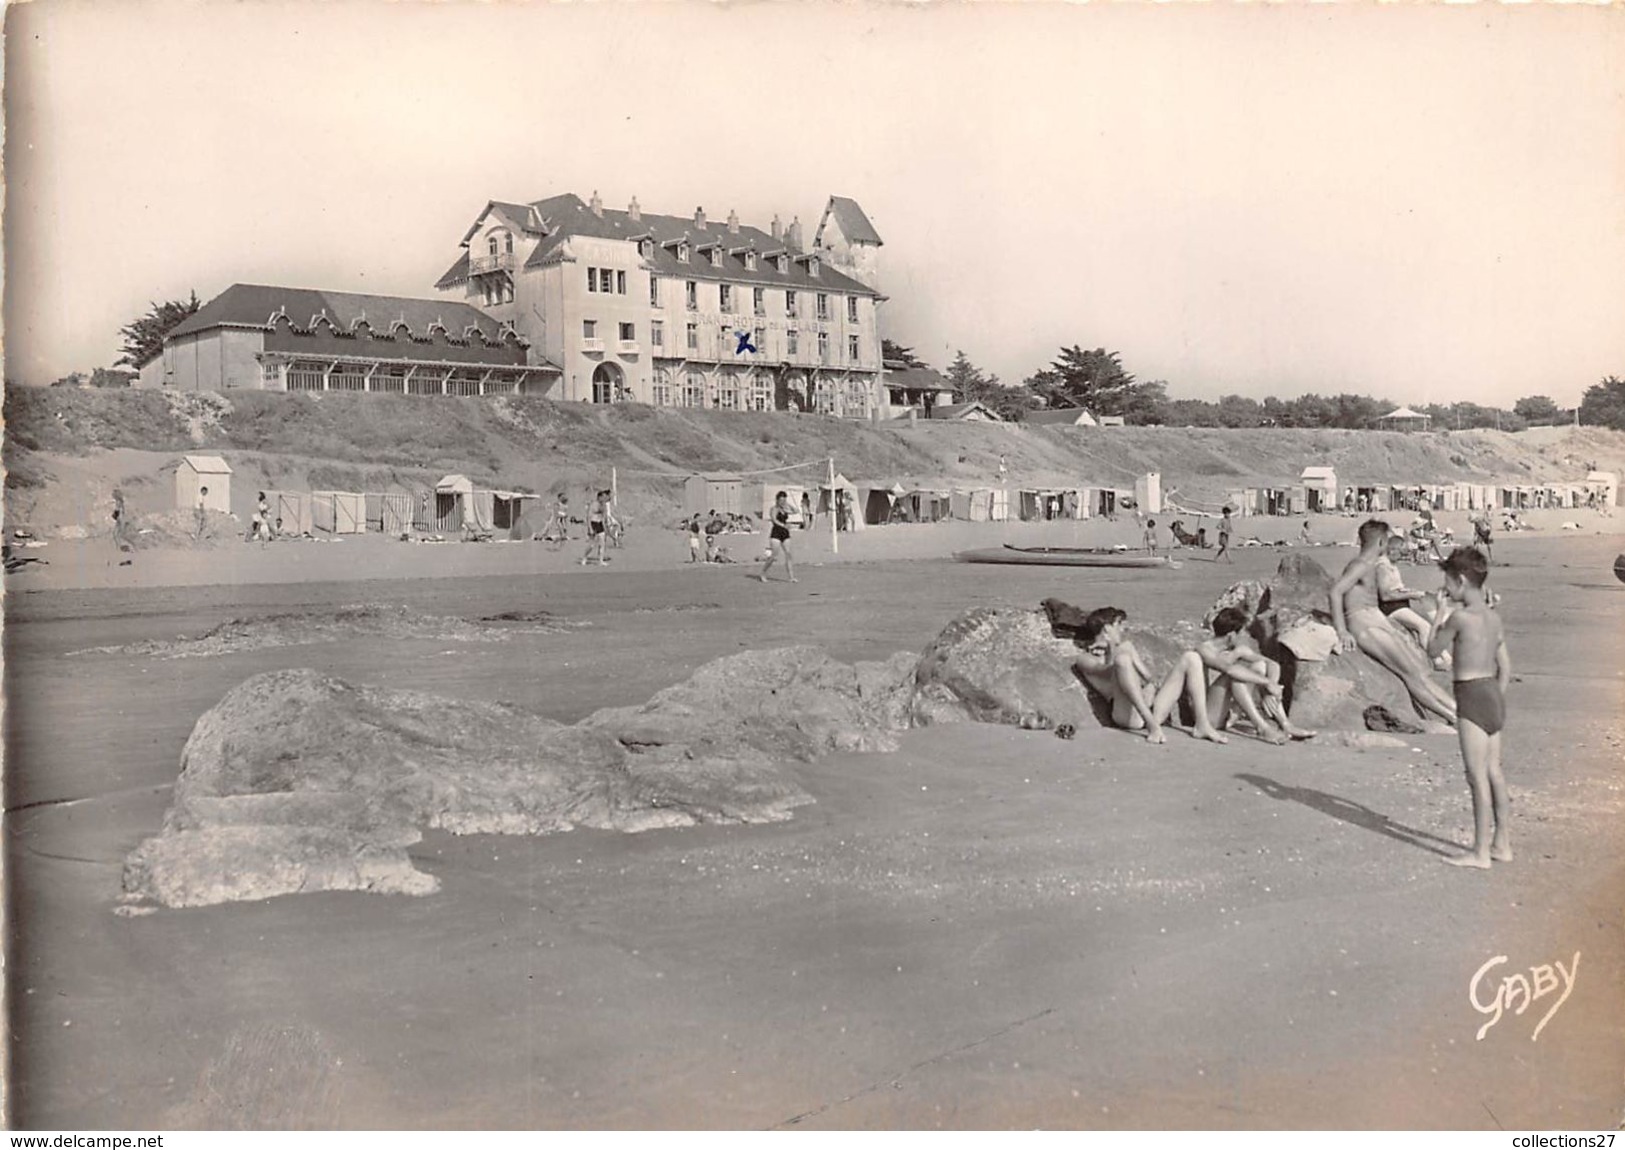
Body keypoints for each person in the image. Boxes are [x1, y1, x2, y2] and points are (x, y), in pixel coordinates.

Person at [1427, 547, 1512, 869]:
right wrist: (1498, 698)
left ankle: (1479, 852)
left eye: (1448, 583)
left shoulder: (1459, 617)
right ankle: (1501, 843)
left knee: (1476, 777)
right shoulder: (1493, 618)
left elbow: (1433, 649)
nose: (1446, 590)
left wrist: (1438, 612)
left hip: (1471, 695)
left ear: (1461, 581)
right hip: (1492, 691)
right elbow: (1506, 668)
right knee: (1494, 772)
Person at [1330, 519, 1457, 724]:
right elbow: (1335, 592)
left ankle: (1456, 710)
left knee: (1417, 670)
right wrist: (1341, 630)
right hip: (1363, 622)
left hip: (1374, 618)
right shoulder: (1360, 565)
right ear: (1381, 542)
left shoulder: (1370, 565)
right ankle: (1452, 716)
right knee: (1410, 673)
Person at [1072, 608, 1227, 745]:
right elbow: (1108, 671)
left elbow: (1149, 677)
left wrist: (1150, 686)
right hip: (1127, 715)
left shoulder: (1125, 648)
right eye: (1118, 625)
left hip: (1148, 704)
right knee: (1123, 659)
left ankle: (1202, 724)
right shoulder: (1085, 659)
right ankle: (1152, 726)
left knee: (1191, 658)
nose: (1122, 630)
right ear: (1106, 629)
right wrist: (1114, 648)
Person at [1197, 608, 1318, 743]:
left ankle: (1285, 724)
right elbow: (1230, 670)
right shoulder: (1204, 650)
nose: (1245, 636)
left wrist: (1271, 688)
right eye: (1242, 633)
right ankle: (1263, 728)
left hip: (1229, 711)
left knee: (1259, 665)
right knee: (1236, 675)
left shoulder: (1237, 650)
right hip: (1210, 715)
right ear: (1231, 635)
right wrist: (1266, 683)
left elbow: (1272, 664)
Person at [1375, 534, 1445, 666]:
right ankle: (1436, 660)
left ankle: (1444, 657)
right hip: (1390, 606)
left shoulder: (1390, 564)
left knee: (1426, 624)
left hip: (1397, 603)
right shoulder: (1382, 566)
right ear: (1393, 550)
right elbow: (1385, 595)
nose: (1402, 557)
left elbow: (1395, 588)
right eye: (1401, 553)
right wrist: (1412, 595)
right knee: (1423, 626)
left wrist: (1413, 592)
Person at [757, 490, 797, 583]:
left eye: (784, 500)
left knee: (788, 554)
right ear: (777, 500)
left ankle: (791, 577)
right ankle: (763, 573)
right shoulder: (774, 509)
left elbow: (796, 511)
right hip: (776, 533)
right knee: (774, 555)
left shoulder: (785, 509)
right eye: (781, 500)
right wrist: (784, 525)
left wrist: (788, 504)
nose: (783, 502)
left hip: (785, 533)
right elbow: (774, 520)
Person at [579, 489, 616, 566]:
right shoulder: (593, 504)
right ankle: (584, 557)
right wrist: (590, 528)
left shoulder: (603, 505)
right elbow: (588, 517)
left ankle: (600, 560)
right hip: (593, 523)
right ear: (599, 497)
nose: (604, 498)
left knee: (602, 543)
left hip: (600, 524)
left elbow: (603, 517)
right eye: (603, 497)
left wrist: (605, 528)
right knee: (592, 545)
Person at [111, 488, 132, 553]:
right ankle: (122, 546)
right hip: (121, 518)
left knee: (117, 533)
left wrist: (114, 515)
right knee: (118, 533)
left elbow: (117, 511)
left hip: (120, 518)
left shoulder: (119, 502)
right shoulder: (121, 502)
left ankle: (122, 547)